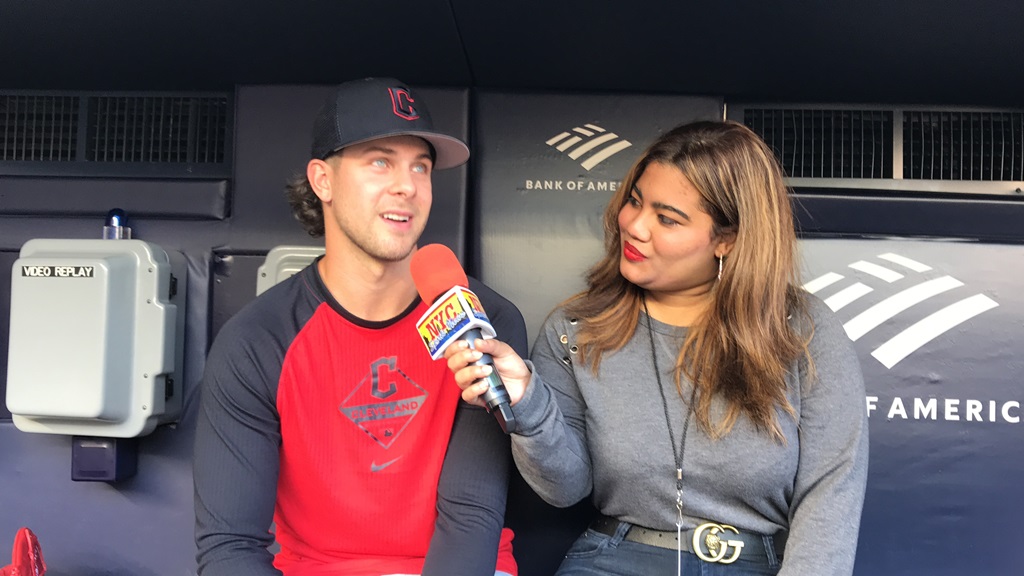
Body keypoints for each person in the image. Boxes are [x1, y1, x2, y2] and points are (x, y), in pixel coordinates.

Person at [445, 120, 869, 575]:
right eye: (634, 201)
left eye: (667, 219)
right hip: (613, 560)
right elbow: (564, 488)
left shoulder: (803, 331)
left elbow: (830, 497)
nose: (635, 226)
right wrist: (529, 405)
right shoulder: (576, 328)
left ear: (727, 239)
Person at [193, 77, 526, 576]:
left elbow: (471, 515)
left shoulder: (483, 320)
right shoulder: (257, 341)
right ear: (322, 180)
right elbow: (229, 546)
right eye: (380, 161)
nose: (407, 186)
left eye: (421, 166)